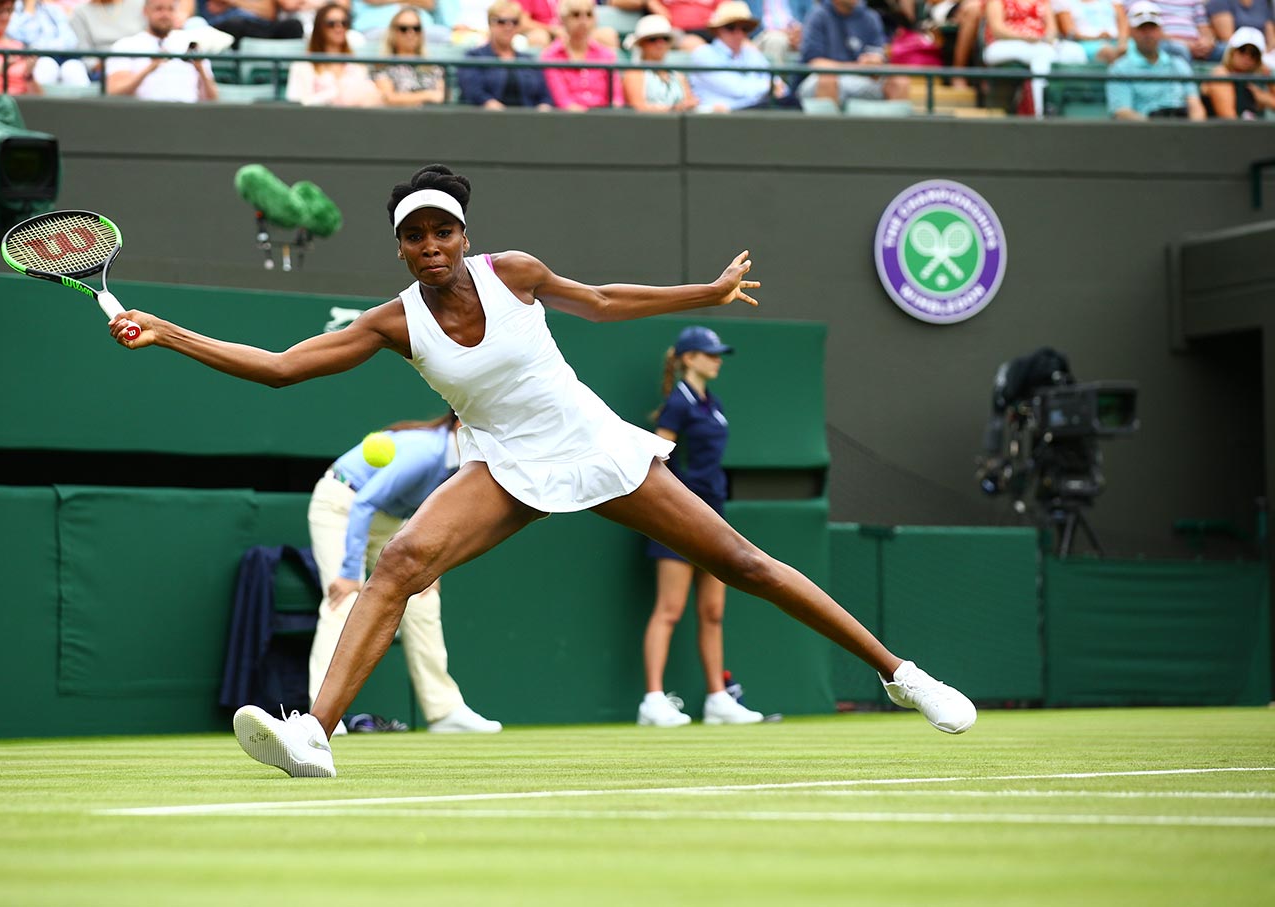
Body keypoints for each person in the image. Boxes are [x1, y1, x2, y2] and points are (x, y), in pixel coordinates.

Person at [101, 163, 978, 778]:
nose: (431, 244)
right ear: (401, 249)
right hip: (505, 465)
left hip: (594, 445)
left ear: (463, 234)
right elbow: (284, 366)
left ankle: (902, 675)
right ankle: (315, 734)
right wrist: (170, 332)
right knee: (401, 561)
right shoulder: (392, 322)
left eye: (443, 229)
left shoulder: (513, 273)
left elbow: (600, 303)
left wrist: (701, 296)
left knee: (742, 562)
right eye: (415, 235)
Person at [307, 413, 502, 735]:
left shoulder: (463, 464)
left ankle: (444, 711)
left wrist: (426, 565)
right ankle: (321, 715)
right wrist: (347, 572)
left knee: (423, 599)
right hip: (342, 504)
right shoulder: (426, 452)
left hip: (388, 519)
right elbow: (365, 503)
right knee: (343, 602)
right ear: (459, 425)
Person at [638, 326, 763, 728]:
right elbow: (656, 459)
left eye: (719, 354)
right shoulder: (678, 404)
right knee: (670, 610)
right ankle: (653, 701)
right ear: (688, 358)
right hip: (677, 518)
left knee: (712, 611)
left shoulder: (714, 402)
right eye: (710, 353)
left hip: (715, 516)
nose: (717, 359)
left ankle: (716, 699)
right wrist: (669, 510)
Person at [980, 0, 1086, 116]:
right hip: (1002, 45)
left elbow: (1052, 30)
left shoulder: (1043, 1)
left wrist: (1046, 38)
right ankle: (1039, 111)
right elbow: (997, 30)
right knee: (1041, 54)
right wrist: (1025, 37)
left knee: (1075, 51)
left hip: (1039, 44)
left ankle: (1078, 107)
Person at [799, 0, 911, 106]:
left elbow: (877, 59)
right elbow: (815, 63)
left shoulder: (871, 17)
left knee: (900, 81)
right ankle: (828, 127)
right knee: (827, 79)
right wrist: (857, 67)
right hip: (822, 79)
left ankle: (893, 127)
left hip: (864, 79)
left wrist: (874, 62)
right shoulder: (817, 16)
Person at [1108, 1, 1206, 117]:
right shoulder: (1119, 69)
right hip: (1145, 132)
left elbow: (1195, 106)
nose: (1148, 34)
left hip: (1181, 129)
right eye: (1142, 28)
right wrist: (1157, 130)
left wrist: (1192, 131)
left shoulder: (1179, 64)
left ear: (1160, 30)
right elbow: (1122, 112)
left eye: (1153, 27)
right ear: (1131, 32)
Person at [108, 0, 220, 101]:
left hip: (187, 116)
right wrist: (149, 68)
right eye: (159, 9)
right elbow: (114, 93)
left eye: (170, 9)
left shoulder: (192, 44)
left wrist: (200, 69)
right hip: (143, 115)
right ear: (145, 11)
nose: (165, 15)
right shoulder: (125, 45)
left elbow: (212, 99)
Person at [457, 0, 555, 108]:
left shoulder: (529, 61)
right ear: (490, 24)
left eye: (514, 22)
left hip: (528, 120)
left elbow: (545, 95)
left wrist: (544, 107)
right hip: (486, 120)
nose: (508, 27)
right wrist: (491, 105)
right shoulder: (474, 57)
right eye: (501, 21)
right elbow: (473, 92)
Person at [689, 1, 780, 111]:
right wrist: (768, 87)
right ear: (718, 30)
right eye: (730, 27)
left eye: (744, 28)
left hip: (754, 112)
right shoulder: (703, 54)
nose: (738, 33)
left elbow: (780, 86)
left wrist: (771, 87)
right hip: (720, 119)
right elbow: (738, 90)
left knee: (791, 102)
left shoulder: (751, 53)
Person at [285, 2, 383, 105]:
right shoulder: (302, 66)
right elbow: (296, 102)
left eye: (344, 23)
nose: (339, 28)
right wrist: (334, 95)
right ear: (320, 27)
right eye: (331, 23)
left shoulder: (357, 66)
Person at [540, 0, 624, 110]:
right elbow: (562, 100)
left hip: (604, 118)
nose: (583, 20)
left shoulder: (607, 55)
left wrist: (613, 112)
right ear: (563, 19)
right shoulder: (550, 56)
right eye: (576, 14)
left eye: (589, 15)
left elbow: (616, 97)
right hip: (568, 120)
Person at [621, 13, 698, 112]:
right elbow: (639, 107)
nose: (660, 44)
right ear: (641, 44)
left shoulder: (678, 75)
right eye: (653, 39)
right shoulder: (634, 74)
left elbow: (690, 101)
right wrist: (673, 109)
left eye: (665, 39)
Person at [372, 5, 446, 106]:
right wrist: (427, 95)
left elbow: (441, 97)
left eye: (416, 28)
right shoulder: (382, 65)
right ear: (393, 32)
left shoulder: (433, 67)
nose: (410, 33)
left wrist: (408, 99)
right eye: (404, 29)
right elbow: (388, 98)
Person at [8, 0, 92, 87]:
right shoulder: (11, 10)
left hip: (62, 57)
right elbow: (21, 38)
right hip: (33, 60)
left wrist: (45, 48)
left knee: (73, 67)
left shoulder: (53, 9)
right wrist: (29, 10)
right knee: (47, 65)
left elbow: (71, 41)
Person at [1202, 24, 1274, 117]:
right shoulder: (1221, 74)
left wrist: (1265, 90)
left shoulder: (1252, 86)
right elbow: (1229, 119)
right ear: (1232, 51)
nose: (1247, 57)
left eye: (1254, 54)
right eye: (1242, 50)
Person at [1054, 0, 1130, 64]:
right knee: (1108, 52)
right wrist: (1097, 38)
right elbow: (1070, 31)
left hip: (1116, 40)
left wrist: (1122, 42)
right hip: (1085, 44)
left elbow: (1123, 22)